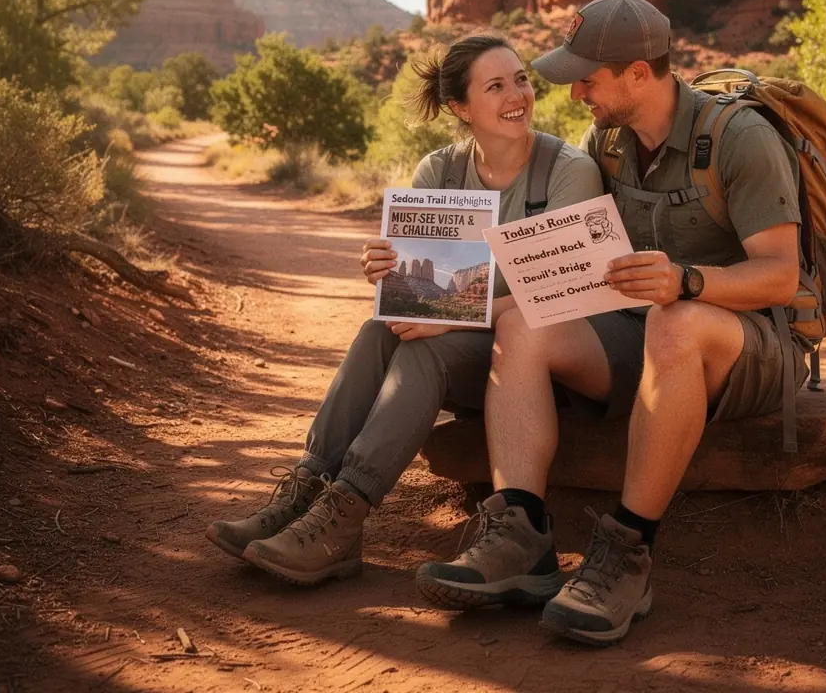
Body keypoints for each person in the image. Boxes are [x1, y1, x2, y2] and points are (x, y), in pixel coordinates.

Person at [417, 0, 809, 645]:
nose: (574, 95)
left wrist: (686, 281)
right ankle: (520, 537)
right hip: (641, 336)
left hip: (751, 343)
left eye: (587, 79)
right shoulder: (608, 141)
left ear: (637, 72)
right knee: (525, 325)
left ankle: (627, 553)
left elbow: (781, 276)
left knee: (677, 322)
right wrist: (435, 273)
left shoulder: (742, 140)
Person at [205, 33, 605, 586]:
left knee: (428, 351)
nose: (518, 94)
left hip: (539, 355)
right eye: (496, 86)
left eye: (520, 79)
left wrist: (455, 314)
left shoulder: (567, 170)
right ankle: (305, 490)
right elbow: (420, 288)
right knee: (379, 329)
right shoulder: (438, 173)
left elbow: (568, 289)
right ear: (461, 108)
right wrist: (386, 268)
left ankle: (343, 514)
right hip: (474, 344)